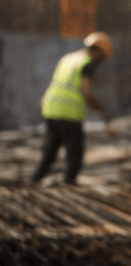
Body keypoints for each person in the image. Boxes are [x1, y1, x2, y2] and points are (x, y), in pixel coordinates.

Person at [33, 31, 113, 185]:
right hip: (68, 112)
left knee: (50, 149)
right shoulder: (88, 63)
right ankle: (69, 182)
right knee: (75, 150)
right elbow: (86, 91)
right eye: (102, 57)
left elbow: (54, 82)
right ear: (97, 51)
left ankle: (36, 179)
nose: (100, 61)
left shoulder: (68, 58)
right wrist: (100, 109)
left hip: (50, 107)